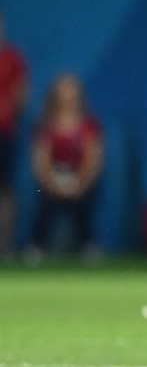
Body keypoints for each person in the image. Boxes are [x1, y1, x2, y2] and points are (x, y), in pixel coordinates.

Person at [27, 75, 103, 260]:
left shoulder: (89, 125)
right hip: (52, 181)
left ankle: (86, 245)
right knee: (45, 204)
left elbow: (93, 160)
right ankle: (37, 247)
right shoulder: (45, 126)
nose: (67, 98)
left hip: (80, 180)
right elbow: (41, 162)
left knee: (83, 204)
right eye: (63, 92)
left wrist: (78, 184)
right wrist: (54, 184)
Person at [0, 11, 28, 257]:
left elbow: (21, 95)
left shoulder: (12, 58)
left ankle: (5, 245)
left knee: (5, 189)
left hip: (4, 133)